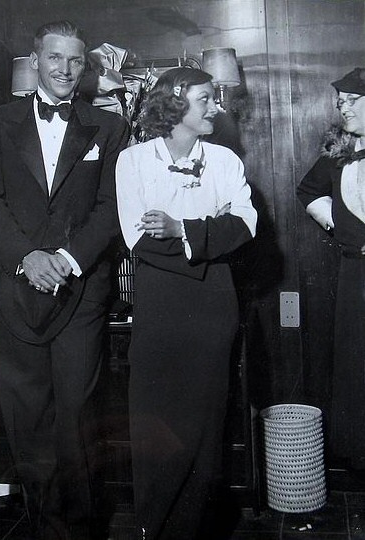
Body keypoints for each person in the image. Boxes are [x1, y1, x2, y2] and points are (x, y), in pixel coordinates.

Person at [0, 20, 129, 540]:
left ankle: (80, 531)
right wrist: (27, 258)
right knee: (28, 421)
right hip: (17, 290)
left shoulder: (107, 128)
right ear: (36, 60)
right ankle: (46, 529)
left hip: (80, 293)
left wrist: (67, 258)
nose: (65, 69)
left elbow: (111, 208)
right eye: (55, 58)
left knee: (79, 420)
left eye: (75, 61)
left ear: (86, 67)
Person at [115, 67, 257, 540]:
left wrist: (182, 228)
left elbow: (246, 227)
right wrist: (209, 231)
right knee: (155, 424)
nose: (216, 106)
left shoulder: (224, 160)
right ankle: (152, 528)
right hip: (159, 308)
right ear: (175, 103)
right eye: (205, 99)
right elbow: (138, 239)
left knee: (205, 427)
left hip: (216, 306)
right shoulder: (132, 161)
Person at [297, 68, 365, 475]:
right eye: (341, 103)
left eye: (353, 101)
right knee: (358, 368)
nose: (344, 109)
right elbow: (307, 191)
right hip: (355, 274)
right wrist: (341, 226)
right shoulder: (339, 152)